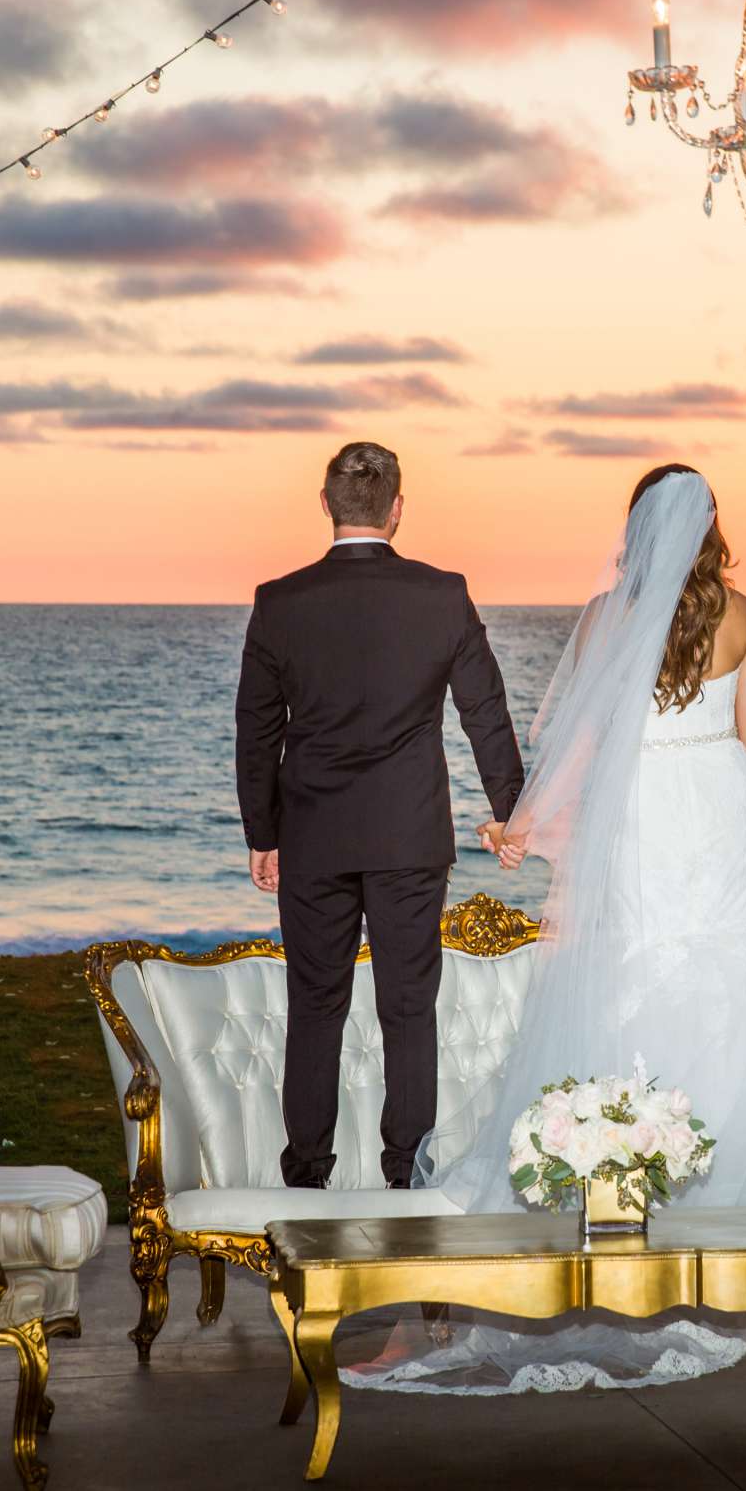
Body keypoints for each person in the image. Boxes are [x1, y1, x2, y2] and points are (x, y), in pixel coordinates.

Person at [363, 467, 746, 1395]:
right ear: (708, 529)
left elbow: (575, 741)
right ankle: (706, 1218)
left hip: (641, 806)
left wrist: (531, 821)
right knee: (721, 968)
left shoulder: (602, 618)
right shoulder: (739, 613)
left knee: (634, 969)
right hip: (716, 800)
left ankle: (624, 1202)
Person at [235, 441, 524, 1190]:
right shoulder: (442, 594)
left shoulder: (280, 601)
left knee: (316, 1007)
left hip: (312, 838)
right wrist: (512, 814)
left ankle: (305, 1178)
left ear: (327, 504)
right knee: (408, 1009)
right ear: (397, 509)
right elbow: (484, 714)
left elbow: (257, 732)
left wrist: (262, 836)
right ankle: (410, 1176)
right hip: (408, 835)